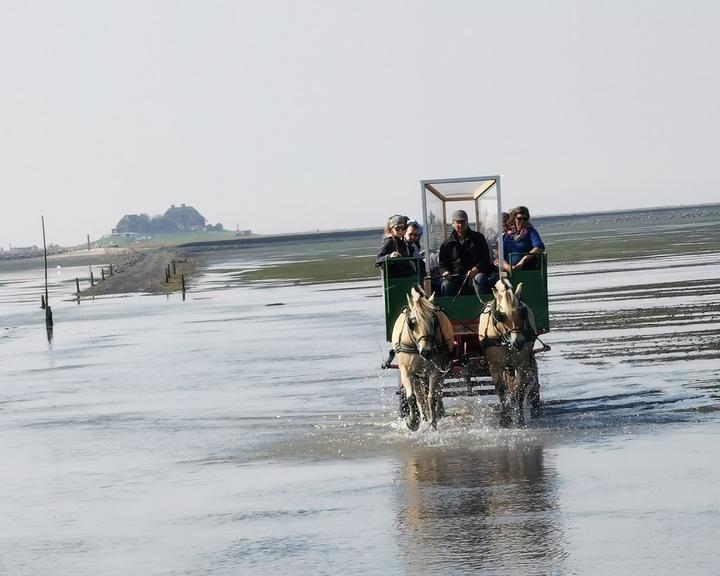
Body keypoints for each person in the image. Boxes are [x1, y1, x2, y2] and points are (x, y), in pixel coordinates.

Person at [438, 209, 495, 298]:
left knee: (480, 279)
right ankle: (449, 311)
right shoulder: (446, 244)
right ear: (453, 224)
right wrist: (446, 272)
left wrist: (476, 269)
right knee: (446, 285)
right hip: (455, 277)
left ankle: (485, 308)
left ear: (467, 222)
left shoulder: (478, 238)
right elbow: (442, 265)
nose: (460, 225)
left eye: (463, 222)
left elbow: (485, 258)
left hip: (476, 275)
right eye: (457, 222)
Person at [501, 205, 545, 271]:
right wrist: (508, 267)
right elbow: (501, 256)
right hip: (508, 270)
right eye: (519, 218)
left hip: (525, 269)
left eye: (525, 219)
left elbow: (539, 247)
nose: (522, 221)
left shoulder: (530, 232)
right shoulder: (507, 235)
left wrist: (524, 260)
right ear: (514, 219)